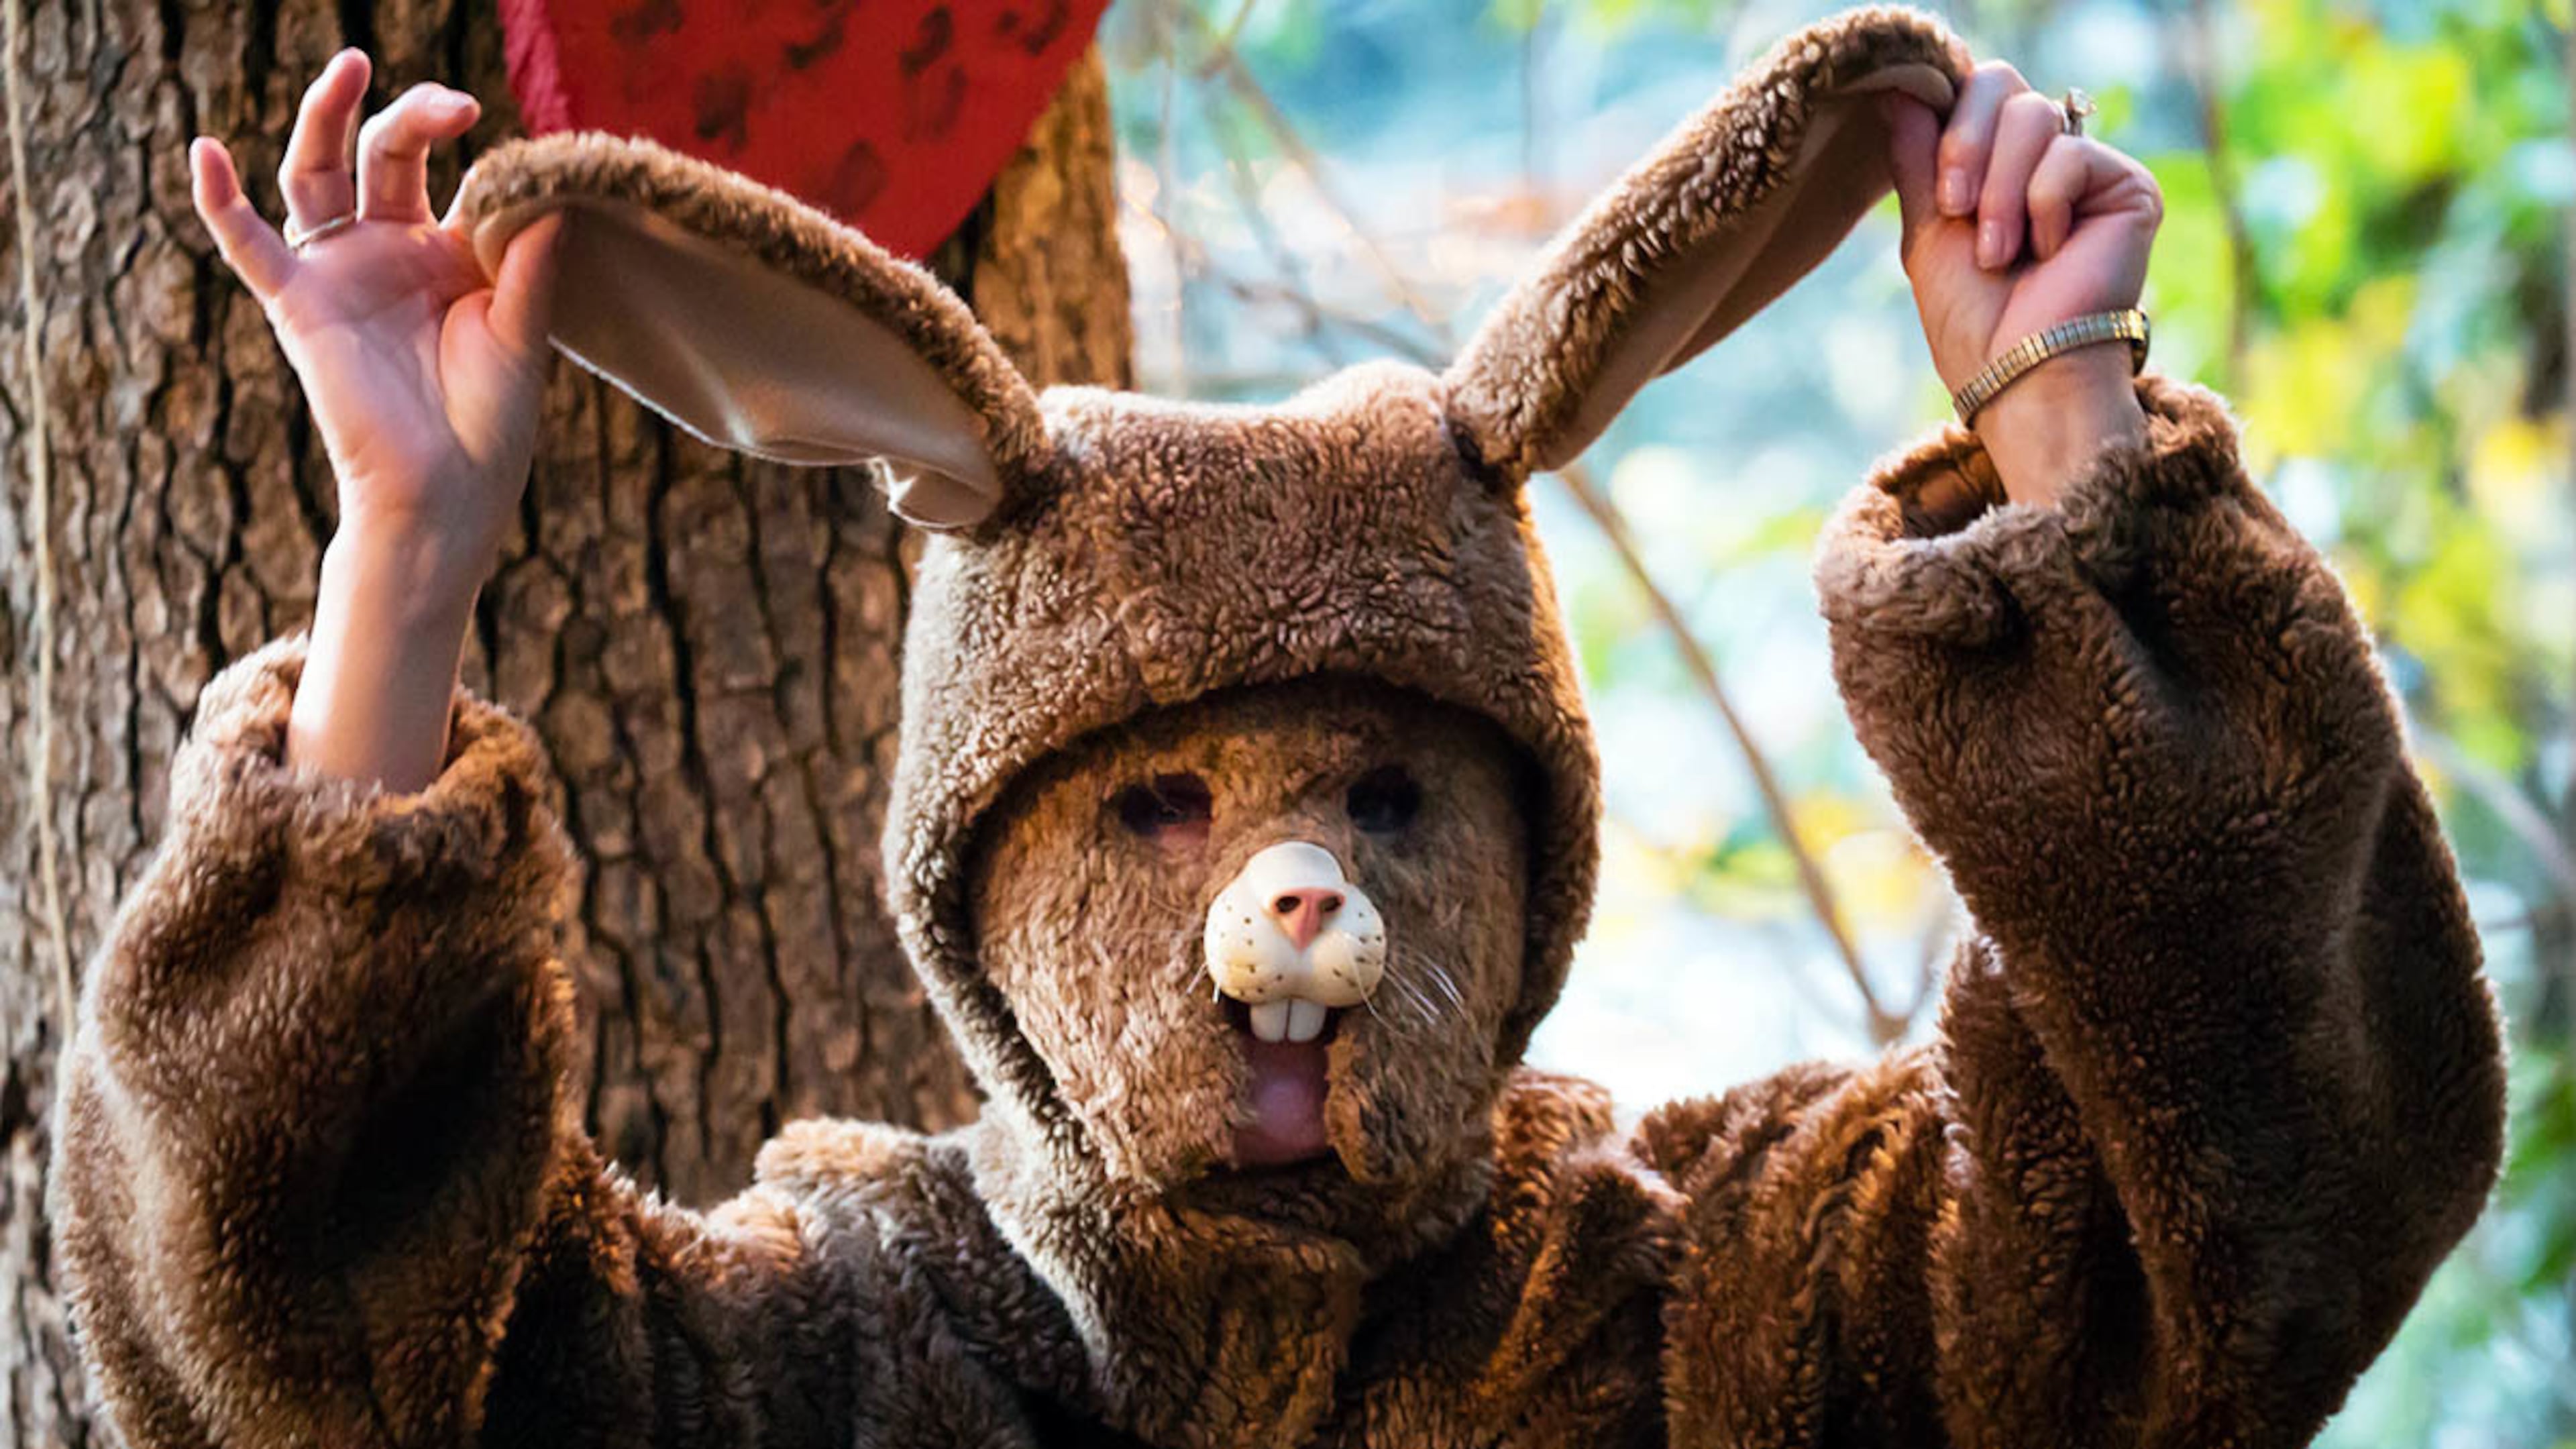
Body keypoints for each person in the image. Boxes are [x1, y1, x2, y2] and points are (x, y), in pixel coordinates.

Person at [51, 17, 2504, 1447]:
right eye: (1147, 799)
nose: (1292, 878)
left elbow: (2233, 1233)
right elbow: (329, 1369)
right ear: (979, 877)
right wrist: (407, 561)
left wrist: (2067, 446)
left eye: (1396, 793)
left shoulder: (1689, 1316)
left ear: (1534, 866)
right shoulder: (845, 1358)